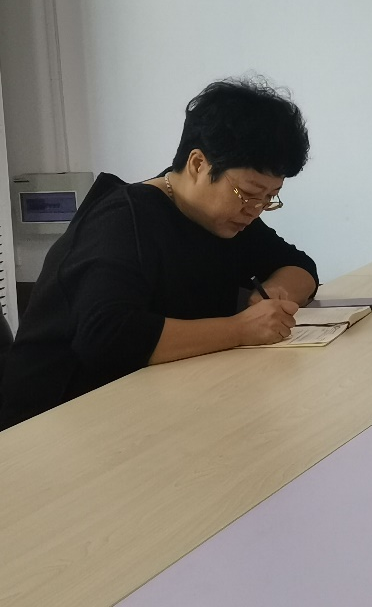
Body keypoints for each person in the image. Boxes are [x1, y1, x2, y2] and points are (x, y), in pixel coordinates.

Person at [0, 78, 318, 430]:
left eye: (269, 197)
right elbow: (108, 337)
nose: (255, 209)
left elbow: (299, 266)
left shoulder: (226, 218)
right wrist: (240, 329)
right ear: (198, 164)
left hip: (151, 406)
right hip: (53, 421)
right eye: (248, 193)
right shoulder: (123, 221)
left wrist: (276, 293)